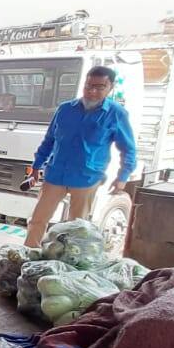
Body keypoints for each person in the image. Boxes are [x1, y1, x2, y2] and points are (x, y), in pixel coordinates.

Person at [25, 65, 137, 248]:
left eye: (100, 87)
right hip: (55, 174)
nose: (92, 91)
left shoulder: (116, 114)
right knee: (37, 219)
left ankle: (66, 263)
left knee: (76, 228)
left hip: (87, 177)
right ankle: (28, 254)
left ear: (111, 87)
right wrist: (36, 166)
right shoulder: (65, 109)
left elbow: (129, 149)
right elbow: (49, 140)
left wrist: (122, 177)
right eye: (88, 85)